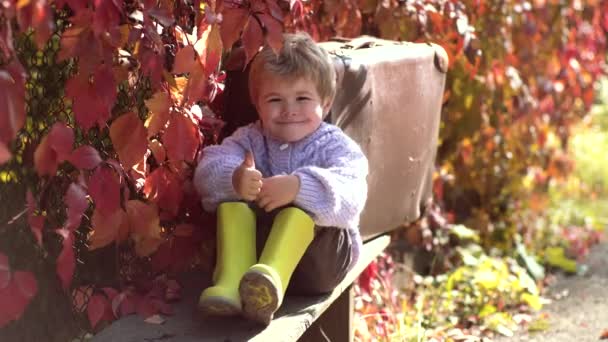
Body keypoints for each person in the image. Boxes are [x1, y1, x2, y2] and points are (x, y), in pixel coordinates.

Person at [193, 32, 369, 325]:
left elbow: (353, 194)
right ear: (257, 104)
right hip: (252, 259)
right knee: (232, 205)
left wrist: (301, 187)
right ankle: (232, 283)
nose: (289, 110)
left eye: (302, 98)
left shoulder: (335, 146)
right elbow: (208, 169)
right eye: (275, 99)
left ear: (325, 104)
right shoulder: (250, 139)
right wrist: (235, 179)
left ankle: (269, 281)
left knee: (300, 212)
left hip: (317, 265)